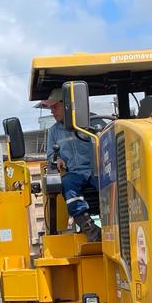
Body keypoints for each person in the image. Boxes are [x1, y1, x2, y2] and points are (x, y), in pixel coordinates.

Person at [39, 88, 100, 241]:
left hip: (97, 170)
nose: (52, 112)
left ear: (67, 104)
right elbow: (50, 155)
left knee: (111, 183)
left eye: (55, 107)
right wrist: (57, 159)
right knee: (66, 183)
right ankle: (89, 228)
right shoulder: (54, 132)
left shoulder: (93, 121)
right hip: (74, 173)